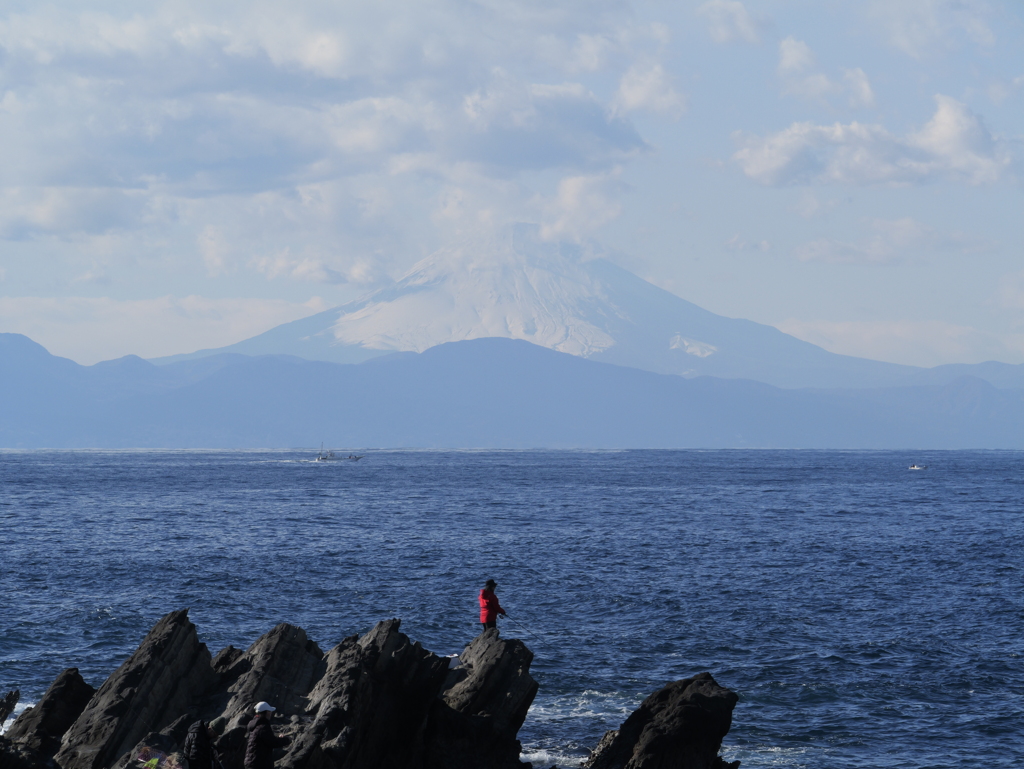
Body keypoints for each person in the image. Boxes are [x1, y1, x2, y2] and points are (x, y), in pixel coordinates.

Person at [244, 702, 290, 769]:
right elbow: (273, 743)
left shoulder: (255, 725)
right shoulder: (263, 727)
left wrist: (278, 738)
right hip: (259, 764)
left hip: (252, 762)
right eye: (269, 711)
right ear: (266, 712)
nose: (270, 713)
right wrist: (286, 740)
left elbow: (266, 740)